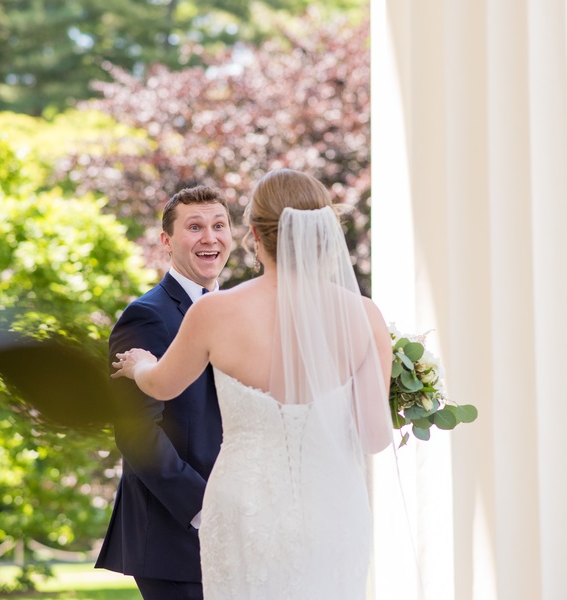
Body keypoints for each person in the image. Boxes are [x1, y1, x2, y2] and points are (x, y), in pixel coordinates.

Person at [112, 169, 396, 599]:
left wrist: (139, 368)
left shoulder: (217, 313)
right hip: (334, 508)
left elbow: (161, 385)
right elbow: (375, 438)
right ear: (323, 231)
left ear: (253, 234)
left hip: (246, 508)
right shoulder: (363, 316)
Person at [95, 185, 232, 600]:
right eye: (195, 227)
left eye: (219, 225)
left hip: (234, 522)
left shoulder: (232, 311)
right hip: (177, 534)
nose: (210, 237)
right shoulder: (148, 316)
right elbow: (136, 431)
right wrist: (204, 508)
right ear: (167, 241)